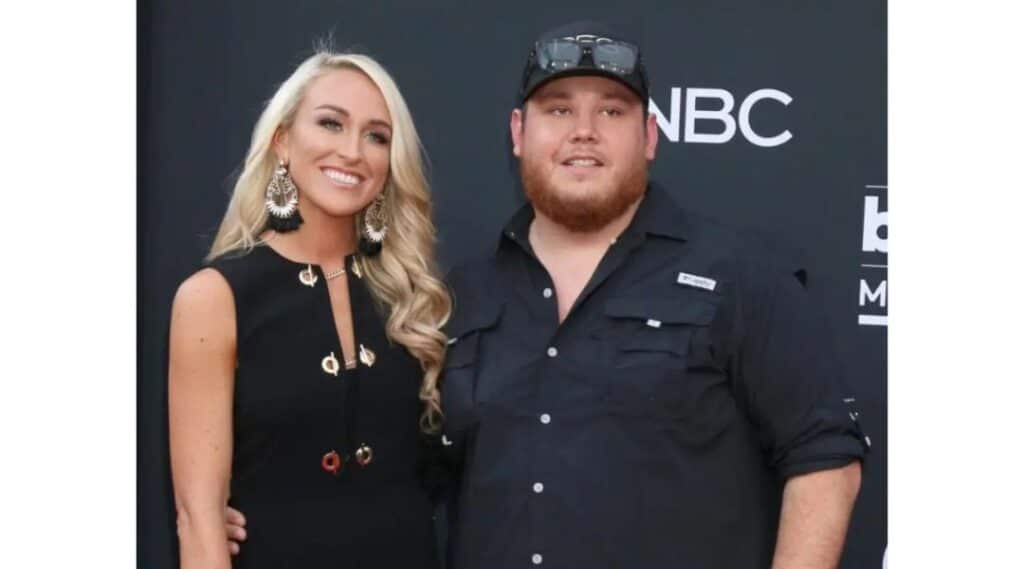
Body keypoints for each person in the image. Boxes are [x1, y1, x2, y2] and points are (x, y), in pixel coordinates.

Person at [227, 21, 870, 569]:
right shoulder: (459, 298)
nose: (583, 131)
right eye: (558, 109)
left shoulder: (738, 275)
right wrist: (264, 505)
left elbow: (824, 458)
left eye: (612, 112)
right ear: (518, 133)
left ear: (649, 136)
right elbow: (399, 476)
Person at [168, 49, 451, 569]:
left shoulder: (411, 298)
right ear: (282, 141)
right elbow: (199, 519)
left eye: (376, 136)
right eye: (330, 124)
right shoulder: (213, 298)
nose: (352, 151)